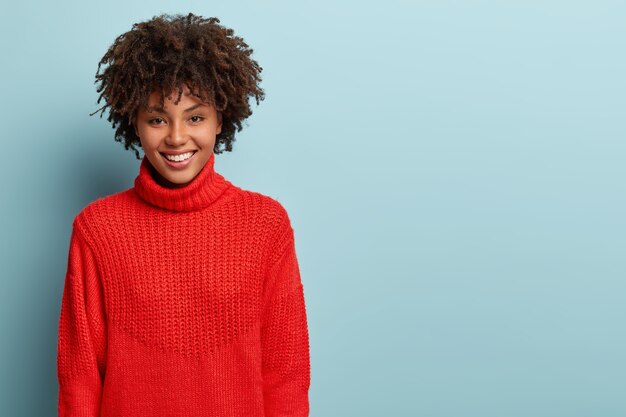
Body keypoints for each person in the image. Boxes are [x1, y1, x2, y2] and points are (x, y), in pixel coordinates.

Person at [56, 12, 311, 417]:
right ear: (134, 123)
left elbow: (286, 375)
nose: (176, 137)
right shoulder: (97, 229)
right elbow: (80, 377)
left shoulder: (265, 224)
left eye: (195, 117)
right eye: (157, 118)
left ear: (219, 120)